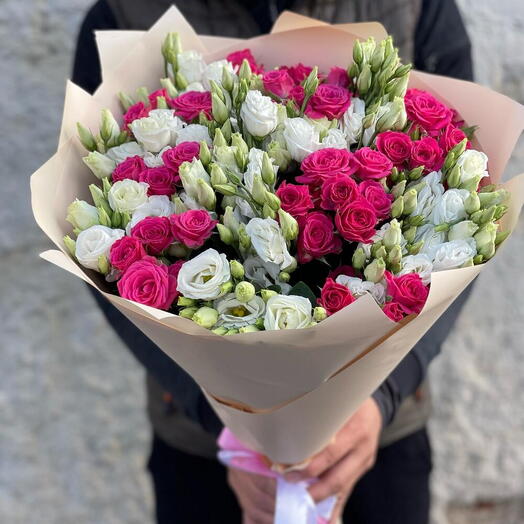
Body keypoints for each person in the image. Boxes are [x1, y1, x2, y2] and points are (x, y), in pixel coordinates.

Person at [72, 1, 474, 522]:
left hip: (377, 433)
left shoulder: (421, 5)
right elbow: (95, 251)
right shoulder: (126, 10)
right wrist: (229, 426)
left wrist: (384, 398)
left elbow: (463, 233)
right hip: (201, 441)